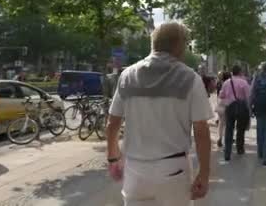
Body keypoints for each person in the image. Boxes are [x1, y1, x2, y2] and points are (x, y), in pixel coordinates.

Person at [106, 22, 214, 206]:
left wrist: (113, 157)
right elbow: (202, 132)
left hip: (134, 170)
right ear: (179, 46)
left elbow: (112, 123)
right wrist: (203, 174)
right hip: (173, 171)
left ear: (153, 44)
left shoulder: (128, 76)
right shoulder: (190, 78)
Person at [219, 65, 251, 161]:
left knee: (229, 129)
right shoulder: (244, 82)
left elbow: (221, 95)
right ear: (240, 72)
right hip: (241, 108)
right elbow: (248, 97)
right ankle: (240, 149)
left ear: (232, 72)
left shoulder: (226, 83)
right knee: (240, 130)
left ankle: (227, 153)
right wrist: (249, 110)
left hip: (230, 107)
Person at [215, 71, 232, 148]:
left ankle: (220, 138)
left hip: (221, 104)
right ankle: (227, 139)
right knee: (229, 124)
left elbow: (220, 95)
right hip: (228, 105)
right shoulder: (230, 84)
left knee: (221, 124)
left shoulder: (220, 83)